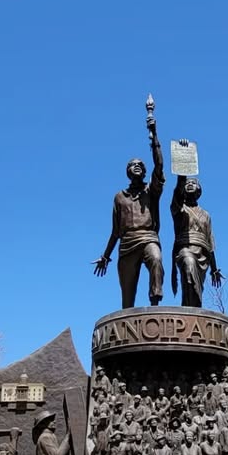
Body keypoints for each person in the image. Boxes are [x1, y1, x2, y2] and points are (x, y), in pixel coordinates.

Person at [92, 98, 165, 307]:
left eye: (140, 165)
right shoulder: (119, 197)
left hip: (148, 237)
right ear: (127, 171)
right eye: (132, 165)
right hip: (126, 245)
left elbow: (159, 166)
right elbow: (115, 231)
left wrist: (154, 137)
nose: (137, 166)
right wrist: (105, 256)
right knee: (127, 301)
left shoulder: (152, 190)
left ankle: (155, 304)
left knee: (156, 260)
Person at [170, 171, 223, 308]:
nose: (190, 185)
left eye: (193, 183)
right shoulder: (179, 208)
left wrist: (214, 269)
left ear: (199, 190)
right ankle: (191, 313)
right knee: (189, 267)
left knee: (196, 287)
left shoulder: (206, 215)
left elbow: (210, 243)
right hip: (184, 250)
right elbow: (177, 192)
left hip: (203, 255)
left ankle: (192, 311)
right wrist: (182, 172)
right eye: (187, 183)